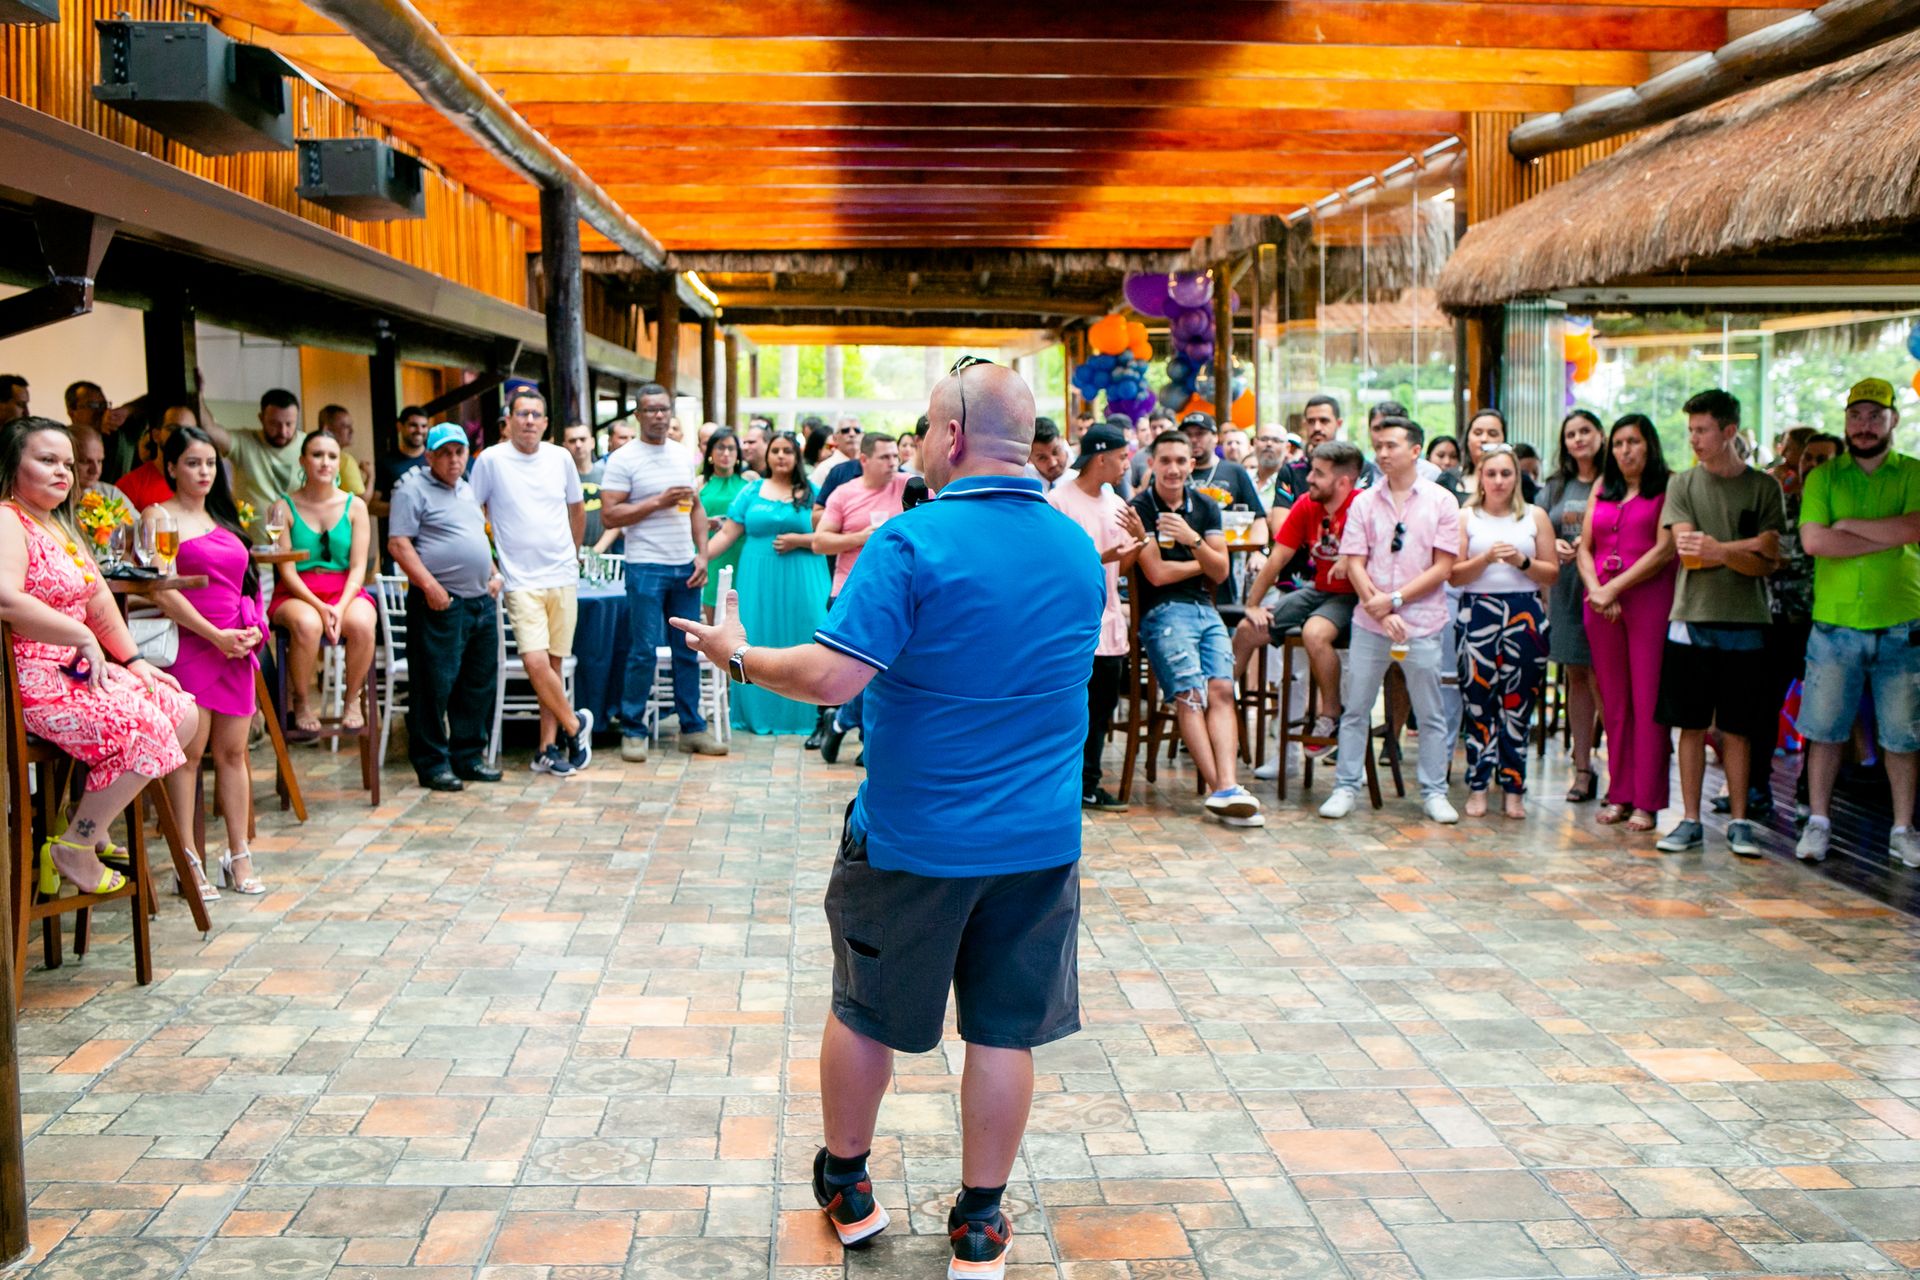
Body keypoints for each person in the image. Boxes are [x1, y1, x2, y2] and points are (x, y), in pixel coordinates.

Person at [673, 358, 1101, 1280]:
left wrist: (737, 655)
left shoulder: (913, 543)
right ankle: (981, 1220)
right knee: (1002, 1031)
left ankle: (851, 1186)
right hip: (1038, 842)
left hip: (915, 837)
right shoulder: (1075, 544)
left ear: (948, 438)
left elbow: (833, 679)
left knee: (864, 1013)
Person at [0, 418, 203, 899]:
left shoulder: (60, 522)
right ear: (13, 464)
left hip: (79, 670)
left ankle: (86, 819)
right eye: (47, 461)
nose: (63, 473)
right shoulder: (8, 518)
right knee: (148, 728)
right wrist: (79, 636)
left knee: (182, 712)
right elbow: (5, 599)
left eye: (67, 464)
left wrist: (134, 661)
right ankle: (75, 846)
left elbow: (99, 603)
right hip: (34, 675)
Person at [1652, 389, 1784, 857]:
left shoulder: (1764, 488)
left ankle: (1740, 820)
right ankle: (1689, 819)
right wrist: (1745, 547)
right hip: (1690, 619)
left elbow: (1770, 561)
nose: (1694, 439)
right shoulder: (1683, 484)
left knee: (1738, 727)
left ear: (1729, 431)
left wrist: (1722, 551)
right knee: (1688, 724)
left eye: (1703, 430)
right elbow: (1690, 555)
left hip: (1748, 619)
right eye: (1690, 430)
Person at [1794, 379, 1920, 867]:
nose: (1864, 426)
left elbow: (1916, 526)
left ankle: (1904, 827)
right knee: (1824, 730)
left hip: (1902, 623)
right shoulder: (1824, 477)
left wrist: (1848, 528)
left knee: (1904, 735)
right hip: (1835, 625)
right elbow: (1814, 543)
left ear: (1893, 420)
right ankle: (1819, 822)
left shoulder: (1913, 472)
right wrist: (1888, 535)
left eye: (1875, 416)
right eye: (1856, 416)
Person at [1320, 416, 1461, 824]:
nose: (1382, 453)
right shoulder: (1364, 500)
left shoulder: (1441, 501)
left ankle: (1434, 792)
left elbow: (1444, 567)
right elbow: (1354, 561)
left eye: (1391, 445)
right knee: (1356, 708)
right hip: (1370, 621)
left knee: (1431, 712)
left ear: (1415, 450)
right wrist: (1378, 606)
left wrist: (1395, 600)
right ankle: (1346, 786)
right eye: (1378, 445)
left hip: (1422, 620)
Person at [149, 425, 268, 895]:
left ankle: (238, 854)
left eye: (210, 463)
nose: (203, 471)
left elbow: (248, 583)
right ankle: (188, 860)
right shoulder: (158, 516)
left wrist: (252, 627)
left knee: (234, 754)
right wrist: (214, 635)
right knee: (188, 756)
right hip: (192, 644)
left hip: (236, 646)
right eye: (193, 462)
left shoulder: (226, 515)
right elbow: (161, 592)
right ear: (173, 466)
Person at [1131, 430, 1264, 824]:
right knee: (1190, 693)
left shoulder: (1205, 507)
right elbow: (1154, 574)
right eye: (1165, 460)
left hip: (1207, 610)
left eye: (1180, 461)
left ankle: (1226, 787)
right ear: (1152, 463)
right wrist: (1204, 559)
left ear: (1192, 464)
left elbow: (1221, 571)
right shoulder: (1138, 508)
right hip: (1162, 613)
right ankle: (1223, 792)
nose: (1173, 469)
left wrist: (1191, 540)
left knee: (1223, 688)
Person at [598, 381, 725, 761]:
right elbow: (609, 514)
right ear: (637, 415)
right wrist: (656, 501)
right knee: (642, 651)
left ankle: (693, 729)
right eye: (650, 410)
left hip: (683, 565)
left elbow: (697, 508)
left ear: (671, 413)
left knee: (689, 648)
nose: (658, 416)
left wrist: (702, 555)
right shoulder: (623, 459)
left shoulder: (682, 455)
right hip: (645, 566)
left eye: (664, 409)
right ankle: (634, 730)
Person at [469, 389, 593, 775]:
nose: (529, 421)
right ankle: (576, 725)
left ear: (545, 423)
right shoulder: (490, 460)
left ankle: (547, 748)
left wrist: (572, 554)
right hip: (519, 579)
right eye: (521, 414)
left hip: (561, 575)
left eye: (536, 415)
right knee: (535, 661)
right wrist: (491, 565)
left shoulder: (560, 458)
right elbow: (472, 514)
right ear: (507, 421)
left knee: (553, 666)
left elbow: (577, 509)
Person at [387, 425, 504, 793]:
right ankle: (432, 763)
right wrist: (430, 586)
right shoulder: (411, 490)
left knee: (476, 682)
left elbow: (477, 537)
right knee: (434, 685)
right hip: (440, 602)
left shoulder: (466, 488)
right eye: (446, 453)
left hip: (479, 602)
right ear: (430, 456)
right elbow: (398, 544)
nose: (454, 459)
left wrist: (494, 571)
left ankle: (468, 756)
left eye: (460, 452)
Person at [1733, 431, 1840, 823]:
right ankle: (1755, 788)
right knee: (1761, 708)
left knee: (1820, 714)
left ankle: (1809, 796)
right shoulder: (1781, 503)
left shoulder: (1837, 508)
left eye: (1822, 459)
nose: (1812, 466)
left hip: (1824, 623)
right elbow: (1766, 551)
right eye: (1808, 458)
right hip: (1775, 620)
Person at [1580, 414, 1678, 832]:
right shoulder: (1602, 488)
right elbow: (1585, 548)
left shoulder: (1668, 486)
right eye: (1618, 443)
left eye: (1633, 442)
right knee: (1614, 702)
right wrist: (1598, 589)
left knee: (1648, 702)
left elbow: (1664, 550)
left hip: (1648, 601)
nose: (1624, 450)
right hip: (1600, 602)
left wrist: (1615, 588)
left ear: (1649, 445)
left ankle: (1647, 800)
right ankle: (1620, 793)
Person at [1233, 441, 1365, 750]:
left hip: (1353, 595)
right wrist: (1253, 604)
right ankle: (1219, 704)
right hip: (1318, 589)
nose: (1309, 479)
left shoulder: (1364, 506)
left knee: (1314, 633)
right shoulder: (1307, 504)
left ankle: (1331, 715)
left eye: (1318, 473)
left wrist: (1353, 557)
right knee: (1247, 630)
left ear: (1343, 482)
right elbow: (1277, 558)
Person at [1449, 444, 1558, 818]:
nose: (1498, 481)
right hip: (1477, 612)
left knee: (1519, 704)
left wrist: (1522, 560)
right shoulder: (1466, 517)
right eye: (1491, 473)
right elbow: (1453, 574)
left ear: (1517, 477)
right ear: (1480, 475)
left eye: (1505, 474)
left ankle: (1514, 786)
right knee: (1478, 703)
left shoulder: (1535, 516)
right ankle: (1478, 785)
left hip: (1524, 613)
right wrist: (1486, 558)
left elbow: (1552, 573)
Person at [701, 433, 828, 735]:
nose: (781, 456)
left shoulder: (813, 492)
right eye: (775, 451)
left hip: (803, 575)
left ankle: (808, 714)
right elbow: (727, 534)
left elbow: (830, 537)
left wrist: (800, 540)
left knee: (806, 633)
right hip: (757, 577)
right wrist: (698, 558)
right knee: (756, 636)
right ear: (767, 456)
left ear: (797, 456)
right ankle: (757, 712)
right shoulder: (751, 491)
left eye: (787, 451)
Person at [1048, 424, 1144, 811]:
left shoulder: (1117, 503)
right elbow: (1056, 567)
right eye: (1122, 457)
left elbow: (1124, 565)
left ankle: (1089, 783)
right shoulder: (1058, 502)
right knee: (1069, 708)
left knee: (1102, 707)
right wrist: (1102, 557)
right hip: (1069, 624)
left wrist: (1140, 540)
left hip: (1109, 620)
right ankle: (1062, 785)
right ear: (1101, 458)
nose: (1126, 465)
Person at [265, 431, 378, 735]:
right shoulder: (282, 507)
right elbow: (285, 571)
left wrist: (339, 607)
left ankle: (352, 699)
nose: (325, 462)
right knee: (308, 625)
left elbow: (358, 567)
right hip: (296, 590)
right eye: (317, 455)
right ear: (303, 460)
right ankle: (300, 701)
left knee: (364, 623)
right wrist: (319, 606)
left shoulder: (355, 507)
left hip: (346, 590)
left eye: (332, 456)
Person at [813, 433, 909, 761]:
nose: (893, 463)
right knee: (858, 671)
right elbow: (820, 542)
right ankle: (840, 722)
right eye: (884, 457)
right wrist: (859, 538)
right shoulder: (844, 493)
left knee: (885, 672)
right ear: (864, 460)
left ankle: (846, 726)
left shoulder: (908, 486)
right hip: (849, 592)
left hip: (896, 596)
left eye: (895, 456)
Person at [1544, 409, 1607, 802]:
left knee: (1606, 681)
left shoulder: (1614, 482)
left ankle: (1619, 768)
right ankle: (1582, 768)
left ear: (1601, 435)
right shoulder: (1556, 485)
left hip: (1603, 586)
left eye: (1586, 431)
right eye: (1571, 434)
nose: (1578, 439)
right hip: (1564, 589)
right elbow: (1537, 528)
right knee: (1576, 678)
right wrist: (1552, 545)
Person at [208, 389, 304, 542]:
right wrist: (197, 393)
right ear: (261, 418)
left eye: (289, 424)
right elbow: (209, 431)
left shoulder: (309, 447)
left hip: (300, 553)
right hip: (254, 552)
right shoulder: (244, 442)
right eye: (275, 423)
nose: (283, 431)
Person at [1280, 394, 1380, 502]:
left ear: (1339, 423)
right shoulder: (1290, 471)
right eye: (1311, 422)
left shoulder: (1360, 468)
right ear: (1304, 425)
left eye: (1324, 421)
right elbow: (1281, 518)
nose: (1317, 427)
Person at [697, 429, 751, 621]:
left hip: (742, 552)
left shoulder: (750, 483)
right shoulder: (699, 485)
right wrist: (705, 523)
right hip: (711, 553)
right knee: (714, 612)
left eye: (731, 448)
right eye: (720, 448)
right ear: (710, 452)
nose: (726, 453)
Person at [1461, 408, 1541, 505]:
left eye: (1492, 434)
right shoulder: (1449, 479)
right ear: (1467, 439)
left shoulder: (1522, 481)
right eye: (1478, 433)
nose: (1484, 439)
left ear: (1503, 439)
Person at [373, 404, 430, 507]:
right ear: (400, 426)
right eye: (413, 425)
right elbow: (373, 505)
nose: (419, 430)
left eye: (424, 426)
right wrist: (403, 508)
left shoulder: (436, 459)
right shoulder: (386, 462)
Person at [562, 422, 605, 548]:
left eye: (582, 439)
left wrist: (598, 549)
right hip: (568, 551)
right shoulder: (558, 479)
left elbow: (617, 517)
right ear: (564, 446)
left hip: (603, 554)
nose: (578, 445)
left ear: (592, 442)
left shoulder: (607, 475)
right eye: (572, 441)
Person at [73, 427, 132, 512]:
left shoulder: (110, 494)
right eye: (86, 462)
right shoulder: (52, 500)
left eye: (99, 461)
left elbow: (138, 522)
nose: (95, 470)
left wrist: (152, 510)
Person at [318, 404, 366, 496]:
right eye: (345, 426)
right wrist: (371, 476)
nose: (352, 431)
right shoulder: (345, 460)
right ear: (327, 429)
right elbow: (361, 500)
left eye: (351, 426)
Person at [811, 414, 862, 488]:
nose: (852, 434)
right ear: (835, 438)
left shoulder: (868, 466)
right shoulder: (825, 469)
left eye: (857, 430)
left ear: (862, 435)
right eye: (845, 431)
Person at [1251, 422, 1291, 513]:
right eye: (1264, 439)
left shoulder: (1290, 483)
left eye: (1276, 440)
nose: (1269, 444)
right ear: (1254, 443)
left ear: (1287, 448)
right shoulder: (1245, 477)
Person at [1026, 418, 1069, 491]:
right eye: (1042, 458)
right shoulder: (1024, 482)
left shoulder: (1082, 485)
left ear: (1062, 440)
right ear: (1029, 457)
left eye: (1056, 452)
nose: (1053, 463)